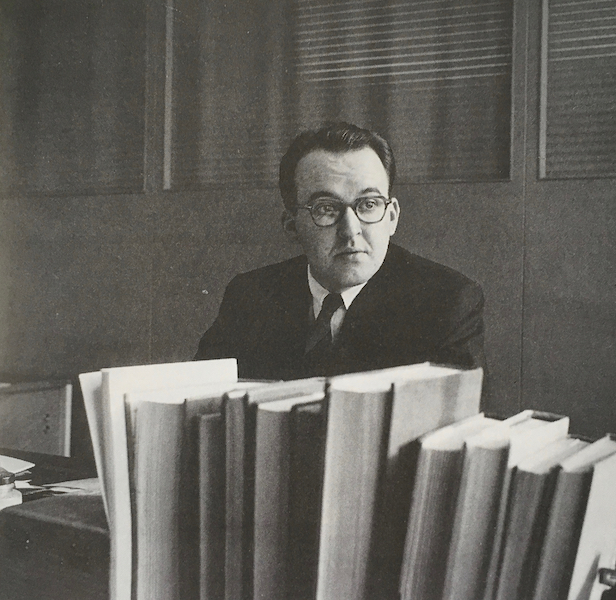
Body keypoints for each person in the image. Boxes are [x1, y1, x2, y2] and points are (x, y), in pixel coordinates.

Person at [195, 122, 487, 385]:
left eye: (369, 204)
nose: (351, 230)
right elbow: (201, 402)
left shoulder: (446, 303)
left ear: (392, 217)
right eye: (326, 208)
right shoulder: (250, 297)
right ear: (291, 225)